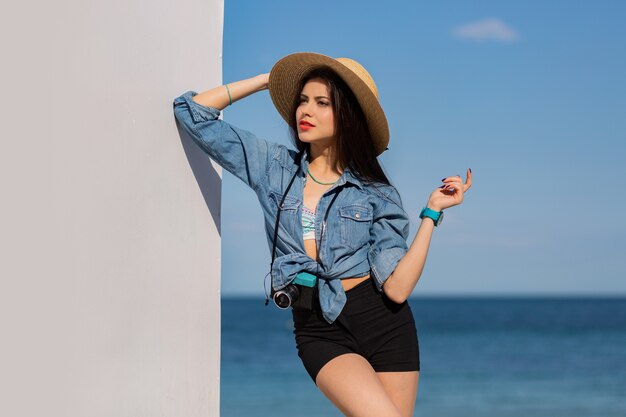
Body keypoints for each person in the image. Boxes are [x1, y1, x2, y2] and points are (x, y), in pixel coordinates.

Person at [173, 52, 472, 417]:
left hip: (384, 323)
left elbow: (396, 288)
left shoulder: (376, 192)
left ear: (347, 115)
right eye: (301, 100)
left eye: (321, 103)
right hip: (319, 328)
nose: (305, 111)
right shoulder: (273, 167)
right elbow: (192, 113)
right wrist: (269, 79)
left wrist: (431, 213)